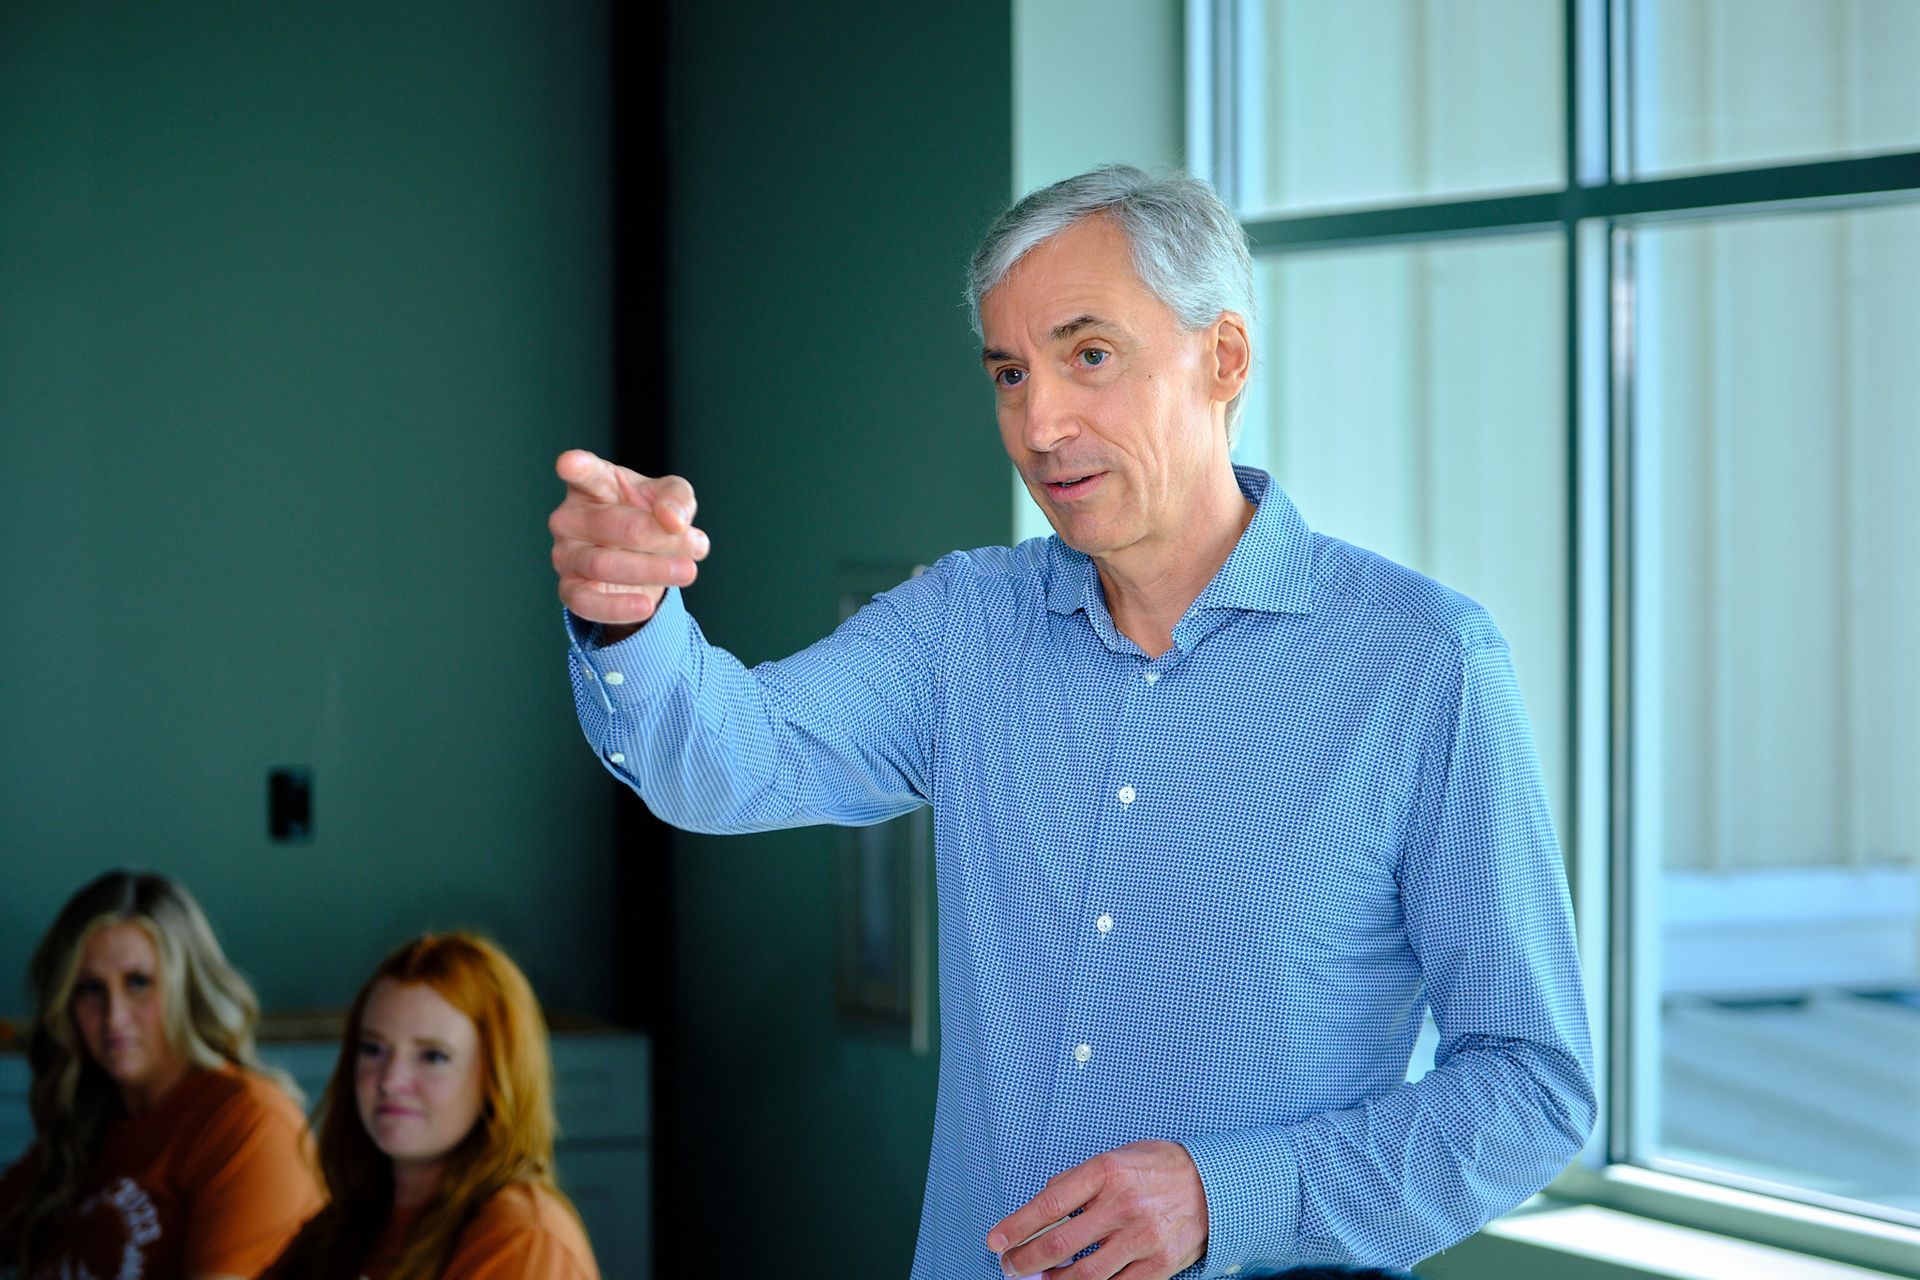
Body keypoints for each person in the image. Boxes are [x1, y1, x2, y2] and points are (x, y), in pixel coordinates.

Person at [546, 164, 1595, 1278]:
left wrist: (1224, 1193)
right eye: (1009, 372)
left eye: (1089, 355)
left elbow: (1531, 1086)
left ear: (1223, 358)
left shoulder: (1424, 664)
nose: (1040, 422)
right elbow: (719, 760)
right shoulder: (961, 624)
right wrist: (627, 616)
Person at [0, 870, 321, 1278]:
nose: (114, 1018)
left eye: (138, 982)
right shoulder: (86, 1125)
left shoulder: (247, 1121)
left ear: (187, 988)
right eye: (90, 988)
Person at [264, 931, 598, 1280]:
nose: (390, 1080)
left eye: (433, 1056)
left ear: (497, 1077)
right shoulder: (342, 1227)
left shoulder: (525, 1237)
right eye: (372, 1049)